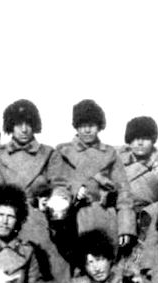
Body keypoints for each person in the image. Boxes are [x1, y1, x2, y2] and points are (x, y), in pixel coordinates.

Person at [47, 99, 136, 257]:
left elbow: (124, 192)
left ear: (99, 127)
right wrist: (75, 192)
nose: (87, 130)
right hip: (72, 220)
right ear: (76, 126)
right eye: (82, 125)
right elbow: (57, 184)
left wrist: (126, 227)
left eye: (92, 125)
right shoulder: (63, 152)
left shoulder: (110, 154)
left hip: (105, 219)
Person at [0, 98, 70, 283]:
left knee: (48, 256)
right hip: (5, 215)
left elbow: (60, 184)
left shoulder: (49, 154)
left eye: (28, 124)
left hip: (37, 215)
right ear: (10, 126)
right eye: (18, 124)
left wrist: (56, 201)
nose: (24, 129)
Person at [119, 116, 158, 243]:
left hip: (148, 219)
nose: (140, 143)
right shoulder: (118, 165)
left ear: (153, 140)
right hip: (121, 216)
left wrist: (148, 213)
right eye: (135, 138)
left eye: (145, 138)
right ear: (129, 141)